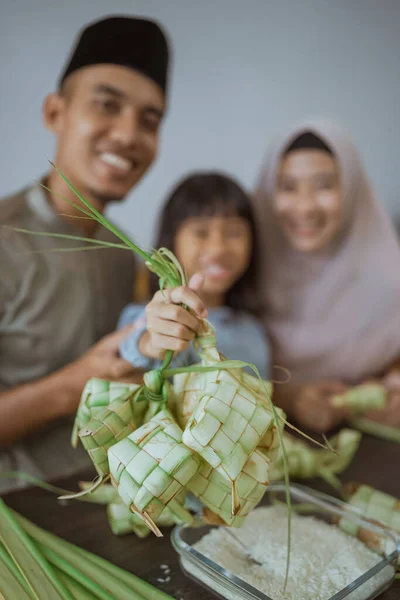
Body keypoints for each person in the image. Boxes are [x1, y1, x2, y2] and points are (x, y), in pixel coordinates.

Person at [0, 15, 170, 489]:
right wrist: (71, 387)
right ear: (55, 112)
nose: (127, 134)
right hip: (18, 524)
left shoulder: (126, 255)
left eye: (149, 121)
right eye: (107, 105)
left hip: (112, 499)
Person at [253, 118, 400, 432]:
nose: (305, 207)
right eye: (288, 187)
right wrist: (290, 397)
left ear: (351, 192)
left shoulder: (390, 281)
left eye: (324, 186)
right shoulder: (239, 270)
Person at [118, 172, 270, 378]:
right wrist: (152, 341)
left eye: (233, 233)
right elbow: (136, 348)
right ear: (172, 241)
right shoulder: (147, 315)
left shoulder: (253, 330)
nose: (218, 249)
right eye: (201, 232)